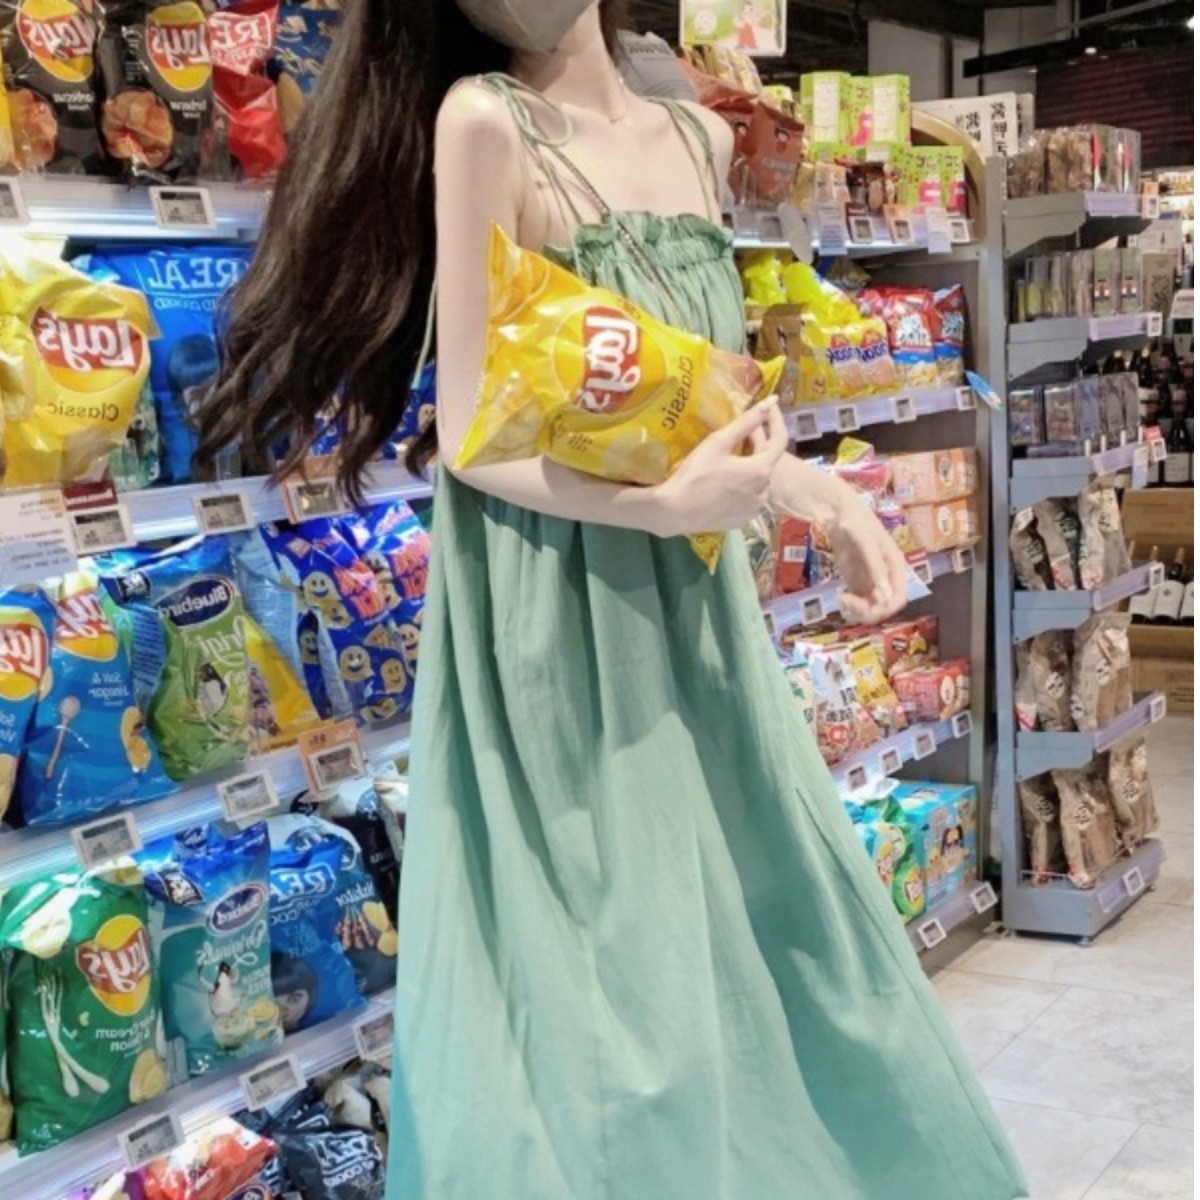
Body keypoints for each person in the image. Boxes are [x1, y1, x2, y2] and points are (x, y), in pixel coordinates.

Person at [198, 3, 1027, 1198]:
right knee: (610, 1017)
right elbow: (472, 438)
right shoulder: (485, 123)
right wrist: (667, 508)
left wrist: (823, 498)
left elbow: (713, 402)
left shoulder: (698, 139)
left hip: (697, 613)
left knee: (780, 943)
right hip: (551, 613)